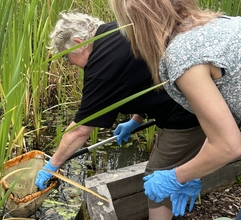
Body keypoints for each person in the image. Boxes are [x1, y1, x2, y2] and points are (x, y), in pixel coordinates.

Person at [35, 11, 206, 220]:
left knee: (156, 179)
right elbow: (142, 78)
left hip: (188, 113)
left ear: (79, 43)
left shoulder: (100, 66)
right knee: (166, 174)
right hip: (192, 97)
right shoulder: (118, 30)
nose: (68, 63)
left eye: (66, 55)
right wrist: (135, 121)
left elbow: (80, 130)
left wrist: (52, 166)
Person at [109, 0, 241, 218]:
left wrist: (176, 177)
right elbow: (220, 124)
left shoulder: (183, 56)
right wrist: (191, 174)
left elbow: (229, 145)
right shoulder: (214, 24)